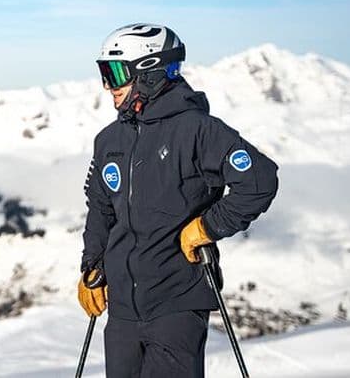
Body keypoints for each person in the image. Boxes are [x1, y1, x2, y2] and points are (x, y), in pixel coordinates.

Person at [77, 24, 278, 377]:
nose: (108, 86)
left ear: (149, 73)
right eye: (104, 73)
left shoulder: (198, 130)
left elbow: (258, 180)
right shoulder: (109, 140)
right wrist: (93, 264)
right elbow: (101, 207)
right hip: (123, 312)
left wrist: (207, 227)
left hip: (177, 304)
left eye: (116, 73)